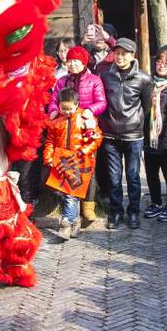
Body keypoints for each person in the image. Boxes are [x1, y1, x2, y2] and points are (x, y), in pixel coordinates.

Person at [99, 38, 152, 229]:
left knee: (133, 176)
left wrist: (136, 122)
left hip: (133, 135)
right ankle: (116, 212)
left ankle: (133, 212)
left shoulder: (144, 78)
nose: (120, 57)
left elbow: (146, 106)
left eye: (124, 54)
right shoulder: (105, 75)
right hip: (110, 134)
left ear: (133, 55)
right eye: (117, 53)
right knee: (114, 178)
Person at [43, 87, 103, 240]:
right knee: (63, 193)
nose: (67, 111)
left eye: (69, 109)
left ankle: (66, 223)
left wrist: (84, 151)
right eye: (63, 108)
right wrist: (48, 157)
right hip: (60, 160)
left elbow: (96, 138)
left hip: (78, 161)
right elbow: (50, 140)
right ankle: (75, 220)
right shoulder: (56, 120)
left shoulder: (85, 118)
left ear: (77, 105)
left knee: (70, 194)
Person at [143, 50, 167, 222]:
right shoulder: (150, 84)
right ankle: (156, 202)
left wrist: (166, 142)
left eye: (166, 63)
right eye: (159, 62)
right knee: (151, 174)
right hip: (149, 138)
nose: (161, 65)